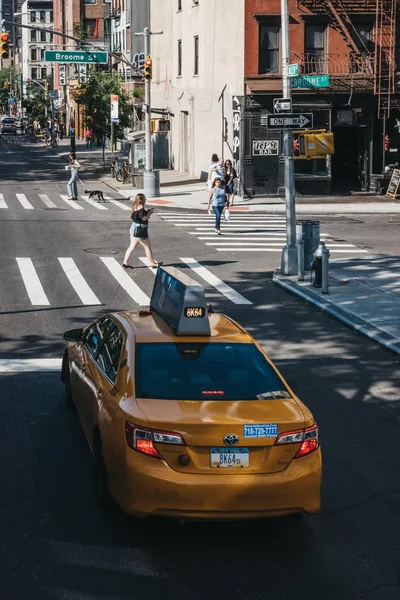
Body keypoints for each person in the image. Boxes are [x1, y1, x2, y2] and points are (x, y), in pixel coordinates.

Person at [122, 193, 162, 269]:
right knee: (147, 248)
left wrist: (146, 211)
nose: (145, 200)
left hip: (134, 229)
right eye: (144, 198)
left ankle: (125, 262)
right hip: (140, 231)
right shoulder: (141, 207)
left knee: (132, 247)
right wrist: (149, 213)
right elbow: (144, 218)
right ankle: (153, 263)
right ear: (141, 200)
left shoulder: (134, 206)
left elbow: (136, 216)